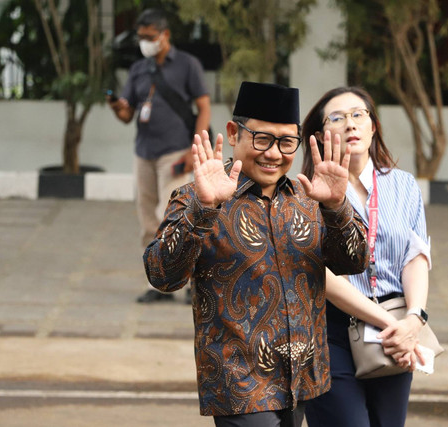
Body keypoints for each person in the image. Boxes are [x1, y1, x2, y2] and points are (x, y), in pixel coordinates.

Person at [143, 81, 404, 427]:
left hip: (301, 380)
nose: (273, 154)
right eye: (262, 139)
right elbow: (162, 275)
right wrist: (203, 209)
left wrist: (337, 207)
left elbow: (353, 262)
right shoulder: (199, 195)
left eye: (286, 142)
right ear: (234, 133)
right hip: (239, 385)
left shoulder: (308, 197)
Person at [301, 87, 432, 427]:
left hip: (394, 328)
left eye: (359, 115)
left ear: (373, 127)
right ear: (319, 135)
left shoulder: (404, 185)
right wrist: (392, 325)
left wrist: (414, 319)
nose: (350, 124)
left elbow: (415, 256)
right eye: (338, 117)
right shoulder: (307, 193)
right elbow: (323, 276)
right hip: (333, 329)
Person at [107, 8, 210, 304]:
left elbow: (203, 107)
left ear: (164, 35)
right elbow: (128, 113)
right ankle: (158, 283)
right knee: (148, 221)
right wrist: (117, 106)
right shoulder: (139, 69)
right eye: (140, 38)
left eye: (149, 37)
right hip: (144, 153)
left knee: (175, 218)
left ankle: (191, 282)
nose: (144, 42)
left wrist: (196, 149)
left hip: (175, 153)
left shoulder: (188, 65)